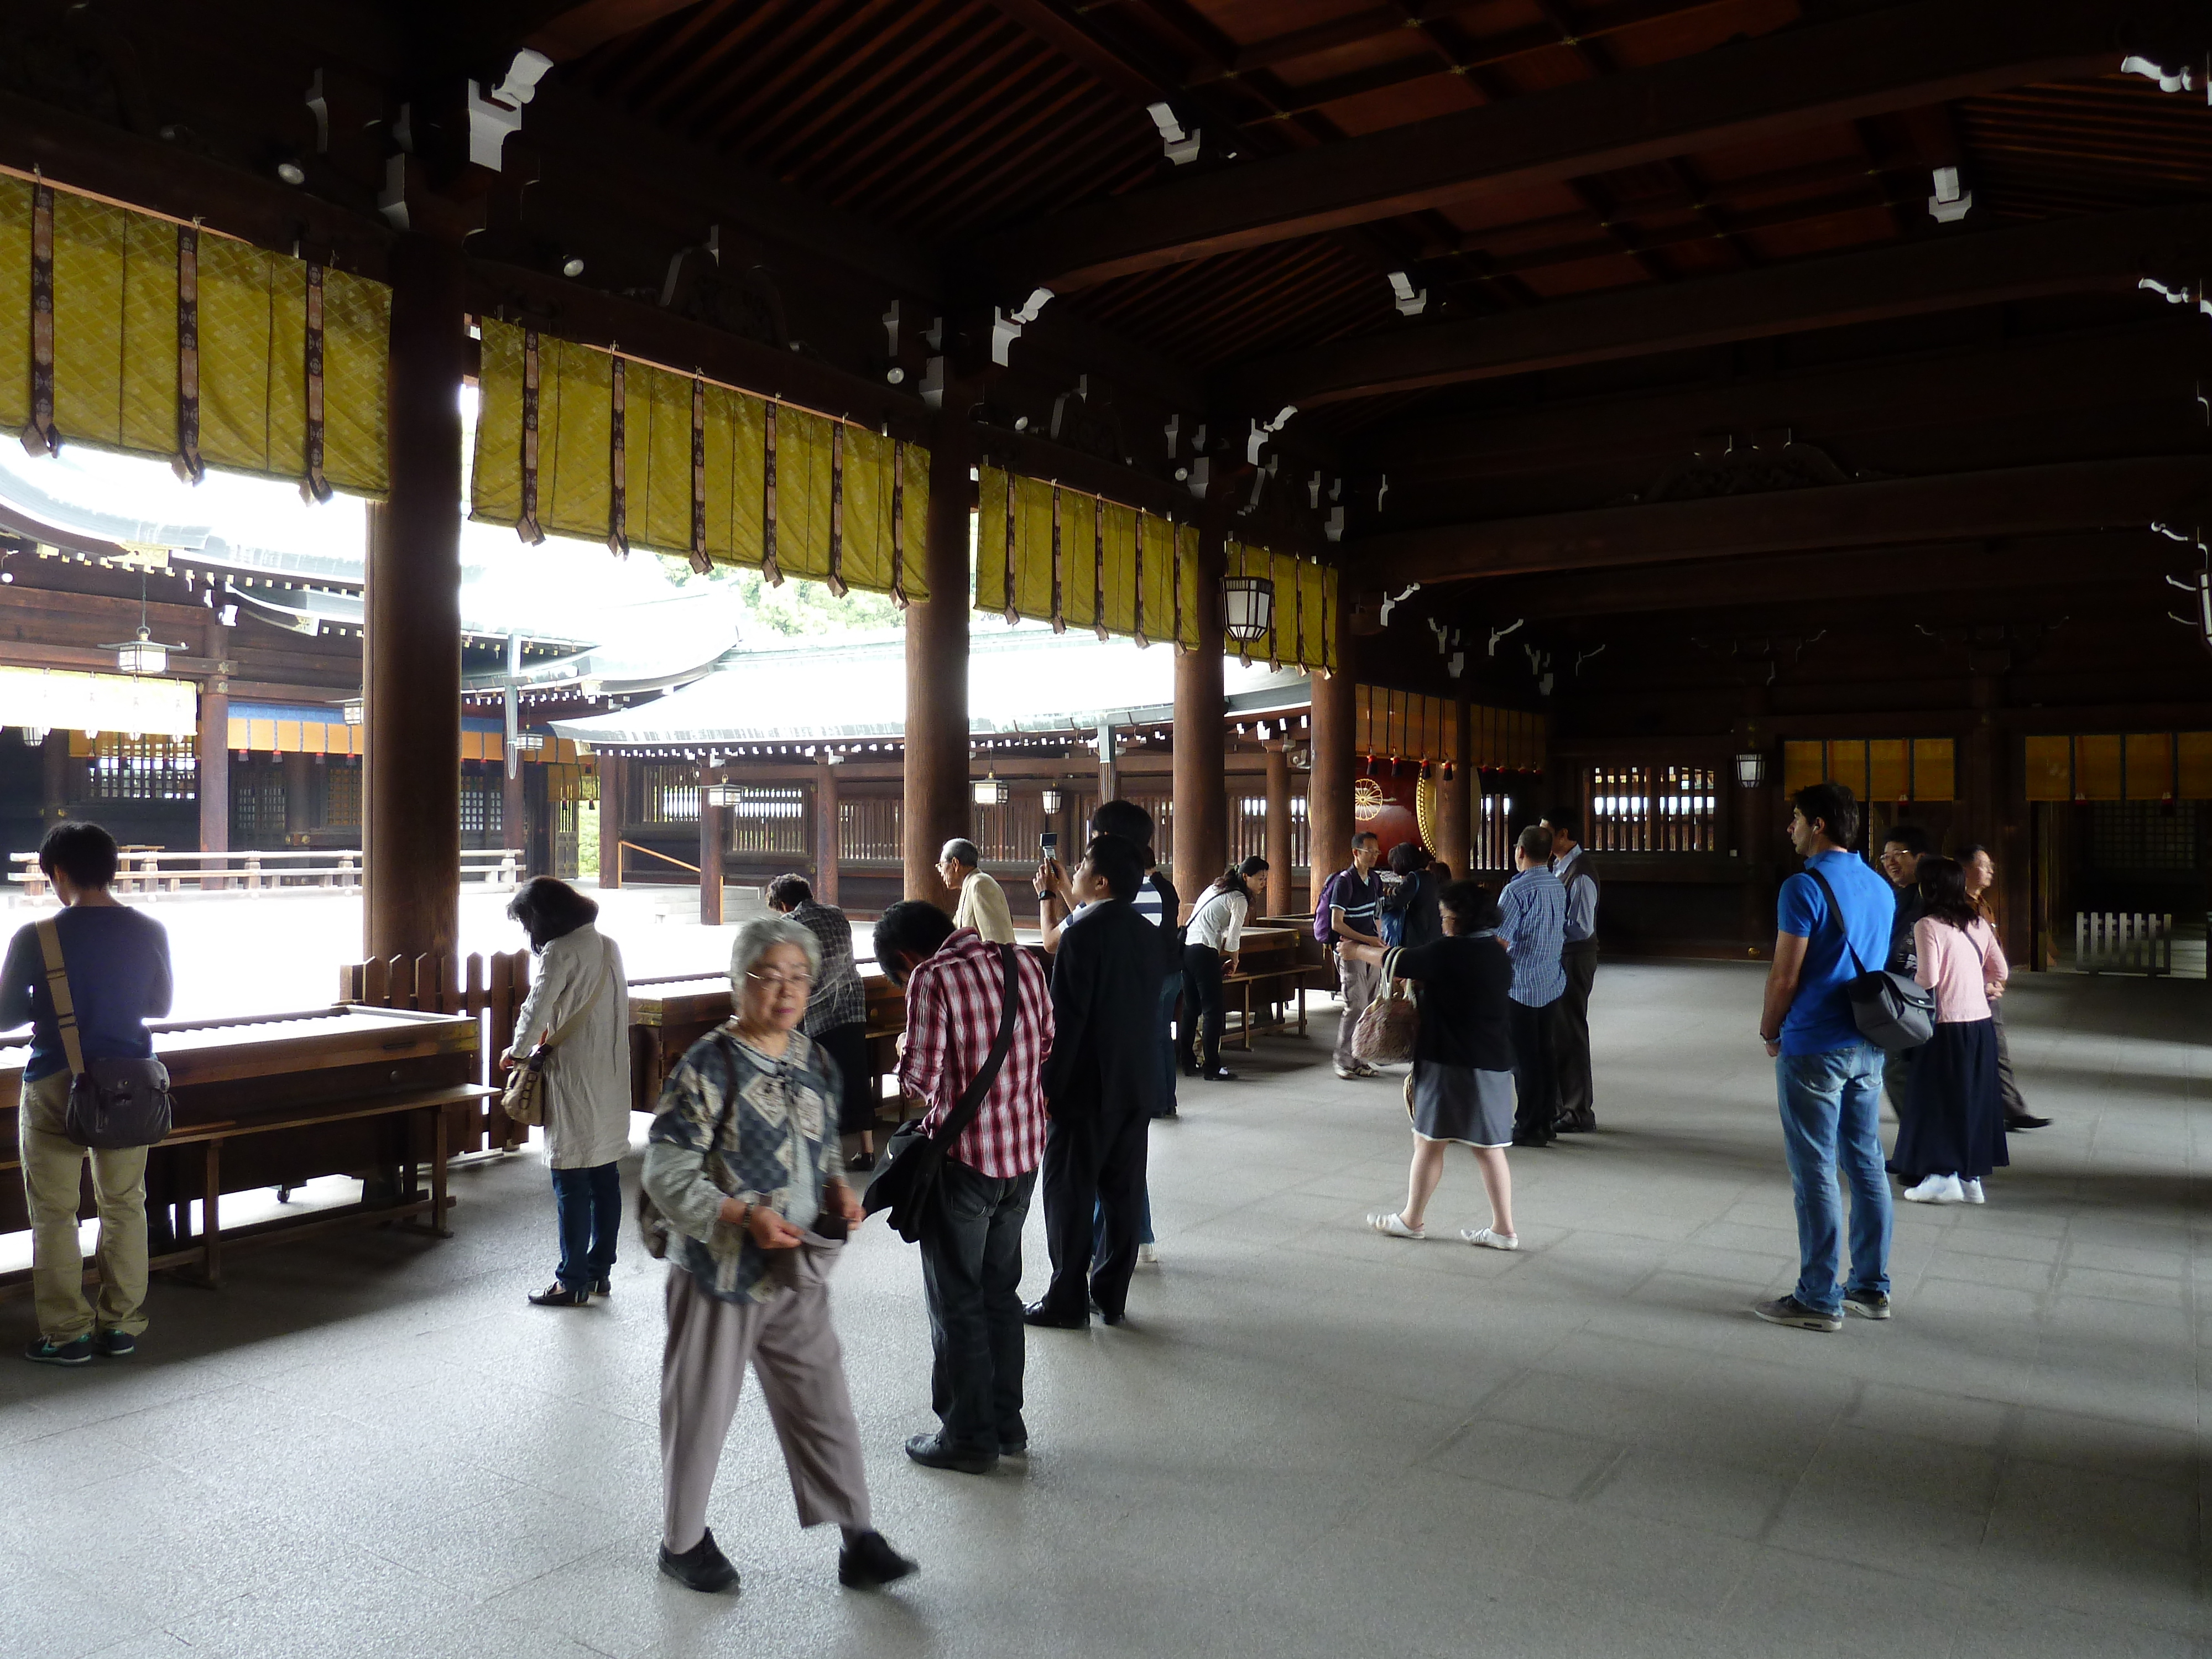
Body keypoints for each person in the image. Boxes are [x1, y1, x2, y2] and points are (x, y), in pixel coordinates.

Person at [642, 916, 915, 1595]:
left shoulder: (813, 1059)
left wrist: (837, 1194)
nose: (788, 990)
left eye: (800, 976)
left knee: (822, 1397)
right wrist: (743, 1214)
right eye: (771, 976)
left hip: (794, 1265)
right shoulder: (709, 1063)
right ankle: (682, 1543)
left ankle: (859, 1536)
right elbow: (666, 1174)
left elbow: (820, 1149)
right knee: (700, 1406)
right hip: (719, 1267)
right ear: (740, 984)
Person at [875, 900, 1053, 1474]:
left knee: (957, 1301)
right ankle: (1006, 1425)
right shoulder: (1021, 963)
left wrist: (906, 1052)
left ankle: (967, 1436)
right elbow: (1046, 1045)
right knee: (1000, 1293)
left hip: (964, 1163)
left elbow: (918, 1085)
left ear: (907, 958)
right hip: (1023, 1156)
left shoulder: (931, 979)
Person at [1, 822, 171, 1366]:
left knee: (54, 1214)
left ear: (58, 872)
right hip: (128, 1083)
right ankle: (120, 1325)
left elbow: (4, 1015)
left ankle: (67, 1334)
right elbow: (160, 1006)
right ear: (111, 868)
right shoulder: (149, 929)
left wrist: (48, 1006)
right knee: (124, 1205)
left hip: (57, 1080)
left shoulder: (37, 936)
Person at [1752, 782, 1896, 1333]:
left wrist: (1770, 1029)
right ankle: (1869, 1287)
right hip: (1867, 1040)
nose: (1789, 829)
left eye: (1794, 820)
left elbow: (1785, 974)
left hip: (1815, 1042)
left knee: (1813, 1170)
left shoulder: (1802, 887)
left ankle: (1817, 1296)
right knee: (1865, 1164)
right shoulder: (1878, 885)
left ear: (1817, 824)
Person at [1025, 834, 1164, 1328]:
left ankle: (1066, 1298)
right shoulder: (1150, 934)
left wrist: (1047, 1085)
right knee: (1122, 1193)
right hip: (1137, 1083)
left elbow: (1068, 1021)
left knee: (1069, 1190)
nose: (1075, 870)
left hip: (1086, 1087)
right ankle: (1111, 1294)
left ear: (1100, 880)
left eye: (1082, 864)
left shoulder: (1081, 934)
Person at [1345, 883, 1519, 1250]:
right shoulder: (1497, 953)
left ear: (1461, 919)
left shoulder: (1450, 951)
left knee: (1428, 1139)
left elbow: (1399, 960)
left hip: (1449, 1060)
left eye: (1446, 917)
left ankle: (1412, 1219)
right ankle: (1504, 1229)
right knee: (1489, 1147)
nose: (1443, 923)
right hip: (1495, 1060)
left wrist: (1356, 949)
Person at [503, 877, 632, 1308]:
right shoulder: (608, 944)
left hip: (575, 1074)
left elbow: (537, 1006)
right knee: (605, 1178)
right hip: (611, 1073)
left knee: (572, 1179)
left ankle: (570, 1280)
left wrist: (517, 1052)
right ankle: (599, 1273)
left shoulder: (560, 951)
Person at [1892, 857, 2010, 1204]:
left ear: (1929, 888)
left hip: (1944, 1027)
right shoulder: (1977, 922)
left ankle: (1942, 1176)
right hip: (1980, 1027)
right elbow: (2000, 969)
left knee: (1937, 1100)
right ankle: (1970, 1177)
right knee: (1972, 1099)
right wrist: (1983, 986)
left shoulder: (1927, 925)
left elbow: (1928, 978)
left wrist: (1900, 989)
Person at [767, 874, 878, 1168]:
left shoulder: (790, 924)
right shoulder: (836, 913)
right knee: (857, 1076)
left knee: (821, 1082)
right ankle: (867, 1150)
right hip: (852, 1005)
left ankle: (828, 1158)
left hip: (818, 1012)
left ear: (783, 904)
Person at [1960, 844, 2051, 1131]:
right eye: (1984, 865)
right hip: (1967, 991)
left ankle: (2011, 1108)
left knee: (1997, 1050)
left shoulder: (1982, 903)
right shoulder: (1955, 906)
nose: (1990, 871)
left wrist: (1996, 980)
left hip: (1988, 990)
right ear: (1964, 868)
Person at [1498, 825, 1567, 1148]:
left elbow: (1500, 941)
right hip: (1550, 981)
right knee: (1545, 1053)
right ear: (1550, 853)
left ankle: (1527, 1125)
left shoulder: (1516, 891)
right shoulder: (1557, 885)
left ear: (1520, 852)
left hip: (1521, 985)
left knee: (1523, 1059)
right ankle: (1545, 1121)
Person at [1182, 855, 1267, 1082]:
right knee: (1213, 1011)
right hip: (1204, 950)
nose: (1263, 883)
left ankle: (1188, 1062)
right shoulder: (1239, 898)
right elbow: (1233, 938)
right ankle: (1212, 1067)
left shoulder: (1216, 888)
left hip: (1187, 949)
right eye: (1260, 878)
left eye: (1266, 878)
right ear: (1246, 877)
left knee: (1191, 1010)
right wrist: (1235, 960)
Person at [1544, 812, 1600, 1134]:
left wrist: (1545, 929)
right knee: (1559, 1032)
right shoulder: (1560, 866)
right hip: (1562, 956)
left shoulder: (1579, 873)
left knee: (1570, 1032)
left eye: (1547, 832)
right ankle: (1565, 1106)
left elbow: (1581, 928)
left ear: (1564, 834)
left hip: (1574, 958)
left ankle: (1578, 1111)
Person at [1876, 823, 1931, 1124]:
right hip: (1900, 991)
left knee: (1897, 1067)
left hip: (1916, 994)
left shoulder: (1927, 897)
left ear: (1920, 858)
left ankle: (1920, 1142)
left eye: (1899, 854)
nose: (1891, 863)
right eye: (1886, 857)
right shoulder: (1899, 895)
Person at [1321, 831, 1386, 1079]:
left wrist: (1377, 938)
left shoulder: (1375, 880)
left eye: (1376, 851)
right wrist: (1367, 939)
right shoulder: (1344, 882)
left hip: (1371, 948)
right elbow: (1337, 923)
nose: (1374, 856)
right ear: (1356, 852)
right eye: (1369, 851)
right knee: (1355, 1003)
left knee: (1370, 1005)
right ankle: (1343, 1059)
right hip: (1350, 949)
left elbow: (1377, 913)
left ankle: (1361, 1058)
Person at [937, 838, 1015, 946]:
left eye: (941, 865)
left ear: (955, 864)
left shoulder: (981, 884)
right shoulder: (969, 886)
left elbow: (996, 940)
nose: (941, 872)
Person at [1378, 841, 1443, 951]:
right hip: (1432, 933)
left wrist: (1378, 902)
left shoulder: (1413, 878)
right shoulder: (1429, 876)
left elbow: (1396, 901)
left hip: (1416, 935)